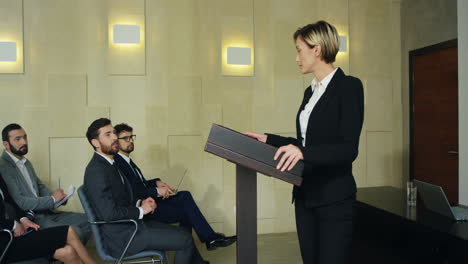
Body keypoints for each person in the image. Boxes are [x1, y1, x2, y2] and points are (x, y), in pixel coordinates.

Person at [245, 20, 364, 264]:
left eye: (299, 50)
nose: (297, 57)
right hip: (305, 196)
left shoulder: (349, 87)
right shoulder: (309, 93)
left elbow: (347, 149)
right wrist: (269, 139)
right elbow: (304, 143)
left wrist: (303, 153)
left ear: (317, 49)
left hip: (334, 200)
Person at [83, 118, 209, 264]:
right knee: (185, 239)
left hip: (132, 227)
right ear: (95, 143)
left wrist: (140, 202)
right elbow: (109, 213)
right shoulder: (96, 171)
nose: (114, 137)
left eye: (114, 133)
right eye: (107, 134)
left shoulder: (110, 164)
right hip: (123, 237)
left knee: (183, 233)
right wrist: (142, 210)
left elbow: (121, 198)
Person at [113, 123, 236, 251]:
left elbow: (140, 183)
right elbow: (133, 192)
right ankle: (208, 241)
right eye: (126, 138)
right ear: (116, 141)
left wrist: (156, 182)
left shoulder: (127, 161)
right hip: (145, 208)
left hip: (150, 200)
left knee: (185, 195)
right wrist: (157, 191)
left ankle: (207, 243)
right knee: (187, 212)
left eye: (132, 137)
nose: (130, 141)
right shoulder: (119, 163)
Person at [0, 124, 91, 244]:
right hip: (33, 218)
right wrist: (52, 199)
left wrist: (60, 199)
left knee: (90, 220)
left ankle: (67, 254)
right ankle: (65, 253)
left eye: (25, 137)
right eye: (18, 139)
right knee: (76, 232)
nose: (24, 141)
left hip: (47, 212)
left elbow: (40, 187)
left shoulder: (26, 162)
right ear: (6, 144)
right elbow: (20, 202)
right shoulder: (3, 167)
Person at [0, 173, 97, 264]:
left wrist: (23, 219)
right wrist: (12, 225)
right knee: (69, 231)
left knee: (68, 252)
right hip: (5, 244)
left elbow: (10, 200)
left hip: (13, 235)